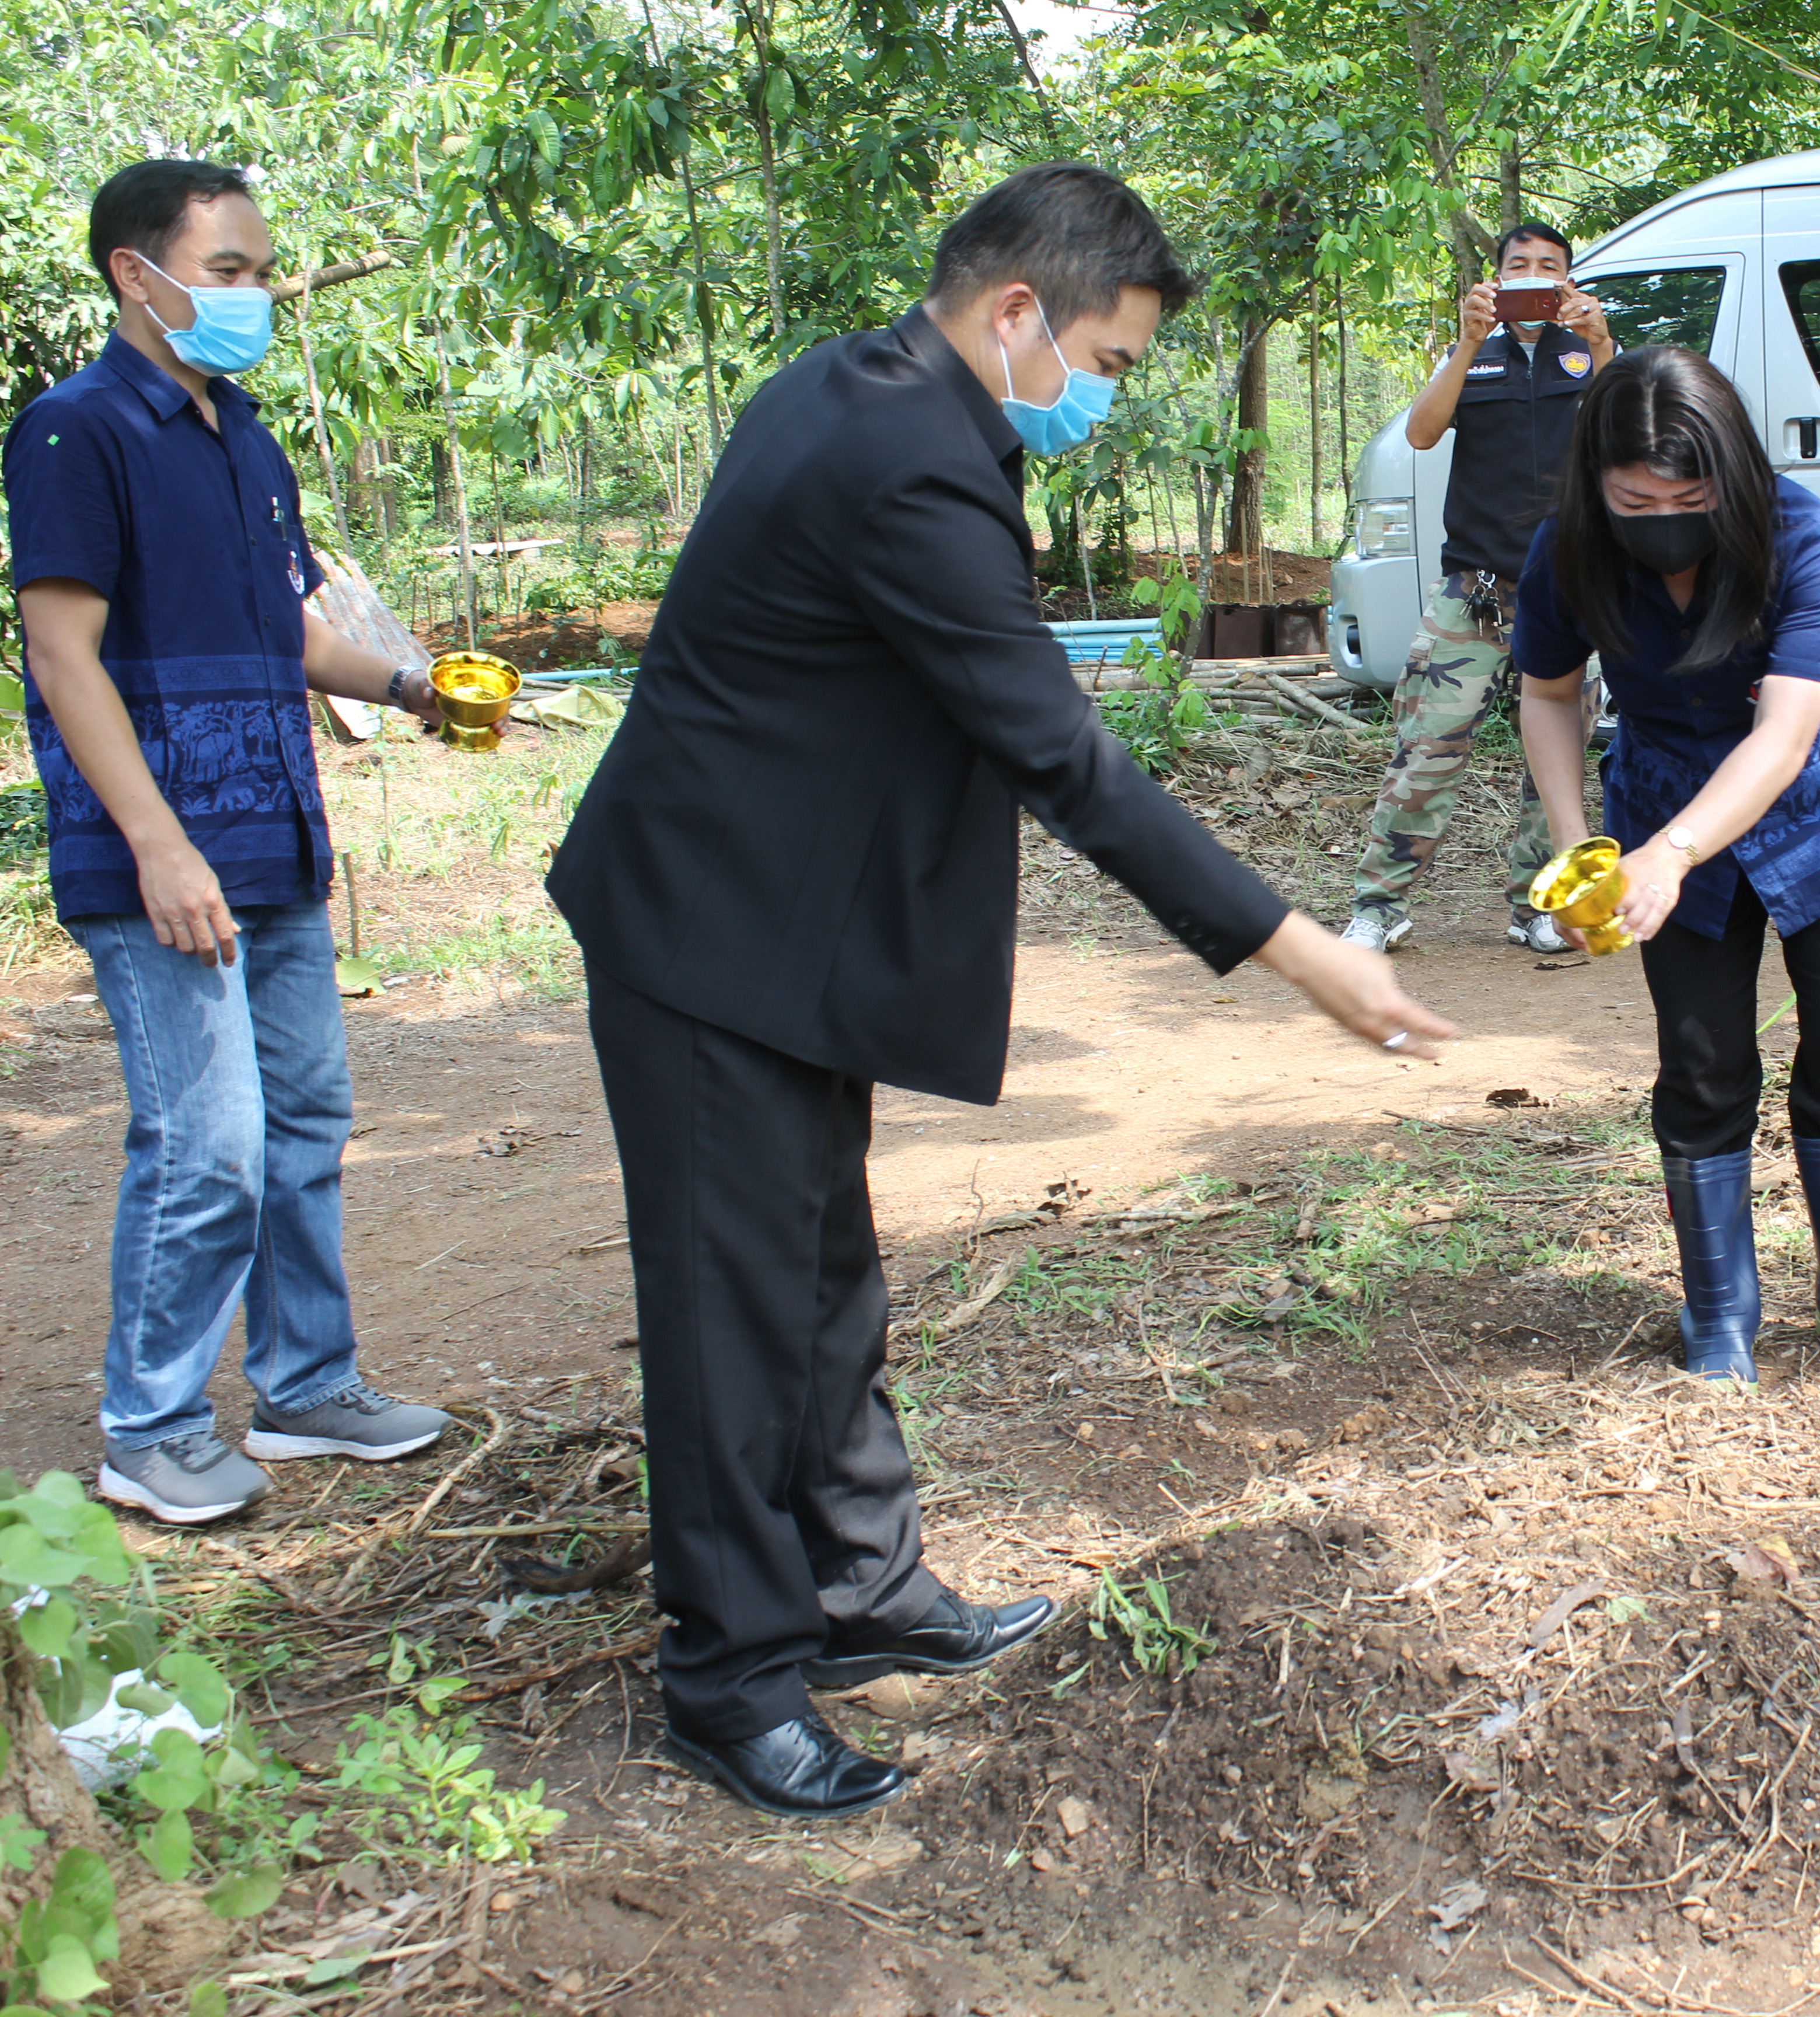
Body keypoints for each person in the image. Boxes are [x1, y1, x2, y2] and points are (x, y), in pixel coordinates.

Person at [545, 163, 1453, 1823]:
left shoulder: (867, 386)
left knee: (820, 1272)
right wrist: (1299, 946)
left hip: (780, 927)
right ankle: (732, 1677)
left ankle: (862, 1586)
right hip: (707, 932)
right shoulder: (906, 463)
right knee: (732, 1310)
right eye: (1107, 362)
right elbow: (1061, 754)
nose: (1105, 398)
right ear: (1016, 312)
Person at [4, 160, 455, 1527]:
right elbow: (60, 650)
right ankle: (150, 1424)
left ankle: (309, 1381)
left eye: (261, 270)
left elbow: (283, 625)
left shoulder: (244, 435)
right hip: (162, 859)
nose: (256, 294)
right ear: (137, 277)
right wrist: (156, 841)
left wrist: (410, 684)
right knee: (206, 1140)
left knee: (306, 1119)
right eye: (231, 272)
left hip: (273, 834)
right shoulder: (77, 432)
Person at [1510, 347, 1820, 1393]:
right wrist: (1577, 841)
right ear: (1596, 485)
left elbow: (1783, 736)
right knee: (1700, 1065)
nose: (1662, 518)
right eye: (1634, 498)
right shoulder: (1566, 550)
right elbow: (1549, 693)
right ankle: (1719, 1313)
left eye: (1689, 494)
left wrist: (1675, 851)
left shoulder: (1805, 538)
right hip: (1659, 802)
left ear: (1732, 472)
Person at [1340, 221, 1614, 957]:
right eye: (1517, 266)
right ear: (1494, 280)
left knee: (1552, 763)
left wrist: (1604, 348)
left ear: (1569, 282)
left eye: (1548, 268)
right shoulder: (1475, 356)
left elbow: (1626, 437)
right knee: (1427, 748)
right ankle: (1379, 906)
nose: (1532, 277)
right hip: (1475, 592)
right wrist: (1465, 343)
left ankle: (1536, 908)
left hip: (1567, 594)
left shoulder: (1590, 357)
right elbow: (1423, 434)